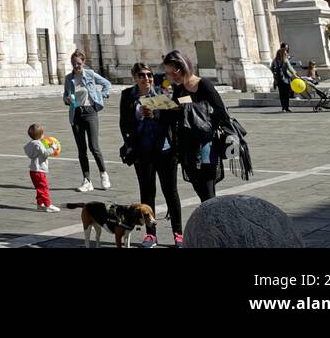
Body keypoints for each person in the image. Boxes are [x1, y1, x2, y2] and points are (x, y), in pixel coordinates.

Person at [119, 62, 183, 248]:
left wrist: (155, 114)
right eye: (141, 75)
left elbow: (172, 120)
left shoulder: (162, 94)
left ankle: (178, 234)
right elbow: (124, 122)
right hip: (143, 151)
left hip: (165, 150)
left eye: (149, 75)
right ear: (135, 77)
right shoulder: (127, 95)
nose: (146, 78)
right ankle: (150, 234)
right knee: (147, 194)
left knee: (171, 193)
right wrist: (132, 139)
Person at [160, 50, 231, 202]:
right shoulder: (179, 89)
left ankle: (214, 223)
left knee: (208, 192)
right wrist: (160, 110)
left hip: (206, 143)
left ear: (180, 68)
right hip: (187, 147)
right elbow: (176, 117)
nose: (170, 77)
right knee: (199, 189)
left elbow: (220, 112)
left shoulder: (203, 84)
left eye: (171, 73)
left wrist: (191, 109)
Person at [63, 49, 112, 192]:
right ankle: (87, 180)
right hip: (75, 113)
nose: (76, 66)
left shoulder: (89, 74)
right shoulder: (68, 78)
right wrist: (66, 99)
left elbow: (106, 84)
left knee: (94, 147)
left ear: (83, 62)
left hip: (90, 112)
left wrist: (100, 96)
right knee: (81, 150)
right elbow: (66, 95)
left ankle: (104, 174)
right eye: (73, 64)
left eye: (78, 63)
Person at [24, 123, 59, 213]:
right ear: (40, 135)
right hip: (39, 170)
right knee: (44, 188)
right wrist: (53, 148)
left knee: (39, 188)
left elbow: (27, 150)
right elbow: (45, 154)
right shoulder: (38, 145)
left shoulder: (31, 144)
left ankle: (40, 204)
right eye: (42, 133)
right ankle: (48, 205)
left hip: (33, 170)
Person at [270, 43, 296, 113]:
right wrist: (275, 73)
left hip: (283, 79)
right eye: (284, 52)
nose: (286, 53)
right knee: (283, 94)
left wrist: (294, 74)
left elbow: (290, 67)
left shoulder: (282, 60)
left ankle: (286, 107)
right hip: (282, 79)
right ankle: (285, 107)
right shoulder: (277, 61)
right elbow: (272, 68)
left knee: (285, 94)